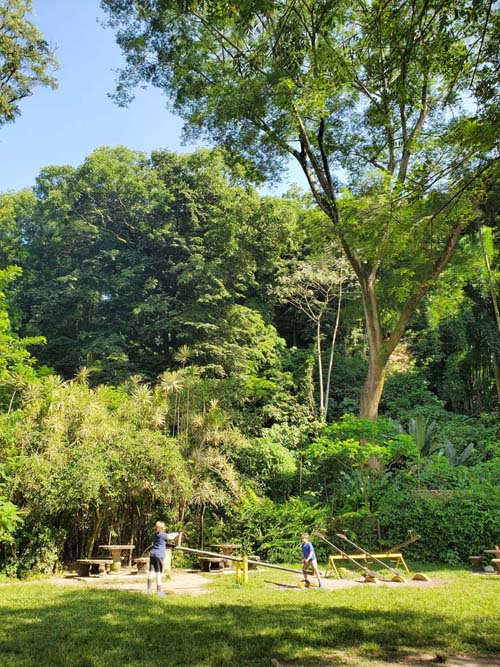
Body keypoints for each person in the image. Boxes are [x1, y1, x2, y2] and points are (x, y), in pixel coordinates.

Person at [146, 521, 178, 596]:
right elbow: (170, 537)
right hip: (159, 555)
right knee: (158, 573)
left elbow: (166, 536)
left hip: (152, 554)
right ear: (161, 527)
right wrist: (176, 534)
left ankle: (149, 590)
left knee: (151, 572)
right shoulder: (163, 535)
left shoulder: (154, 535)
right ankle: (159, 591)